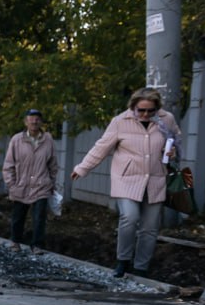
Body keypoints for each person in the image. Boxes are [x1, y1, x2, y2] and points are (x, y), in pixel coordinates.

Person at [71, 88, 180, 277]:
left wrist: (174, 152)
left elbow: (176, 140)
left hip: (155, 179)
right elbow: (101, 147)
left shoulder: (166, 119)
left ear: (157, 109)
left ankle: (141, 267)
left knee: (150, 226)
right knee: (129, 217)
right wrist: (82, 168)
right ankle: (122, 261)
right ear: (133, 107)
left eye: (150, 111)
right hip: (126, 179)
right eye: (141, 110)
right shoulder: (120, 122)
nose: (146, 115)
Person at [1, 108, 58, 254]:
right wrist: (11, 184)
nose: (34, 121)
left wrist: (51, 182)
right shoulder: (16, 140)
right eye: (31, 118)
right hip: (21, 185)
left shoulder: (48, 140)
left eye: (37, 118)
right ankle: (15, 241)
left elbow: (53, 164)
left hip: (41, 185)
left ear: (41, 122)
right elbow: (8, 165)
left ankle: (37, 245)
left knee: (39, 217)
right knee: (18, 216)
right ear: (25, 122)